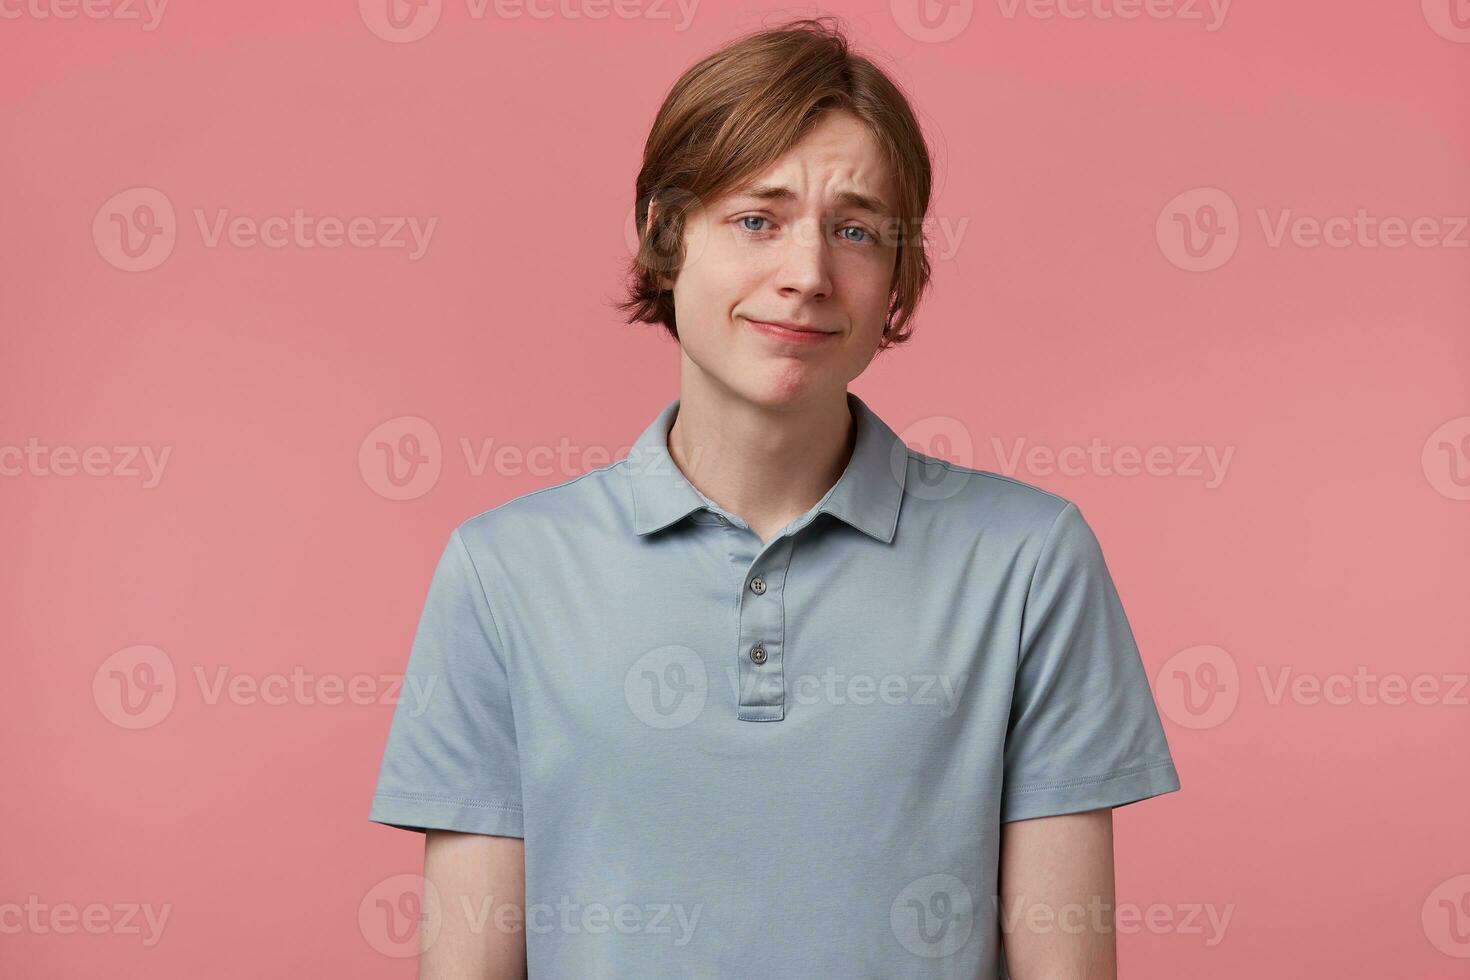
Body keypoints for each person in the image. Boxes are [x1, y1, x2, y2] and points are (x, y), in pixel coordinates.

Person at [369, 16, 1180, 979]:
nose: (806, 275)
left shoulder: (1031, 559)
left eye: (855, 230)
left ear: (897, 277)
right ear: (665, 236)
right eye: (757, 219)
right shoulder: (501, 572)